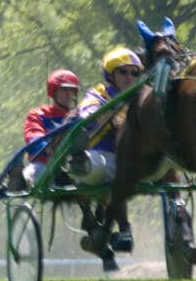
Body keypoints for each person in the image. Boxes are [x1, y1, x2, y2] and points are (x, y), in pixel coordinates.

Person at [69, 47, 143, 186]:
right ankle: (79, 162)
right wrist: (101, 115)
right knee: (97, 165)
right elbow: (87, 112)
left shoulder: (143, 97)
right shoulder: (99, 94)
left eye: (135, 73)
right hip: (104, 156)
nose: (129, 77)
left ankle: (176, 202)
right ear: (111, 75)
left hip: (135, 161)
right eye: (123, 72)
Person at [22, 69, 80, 186]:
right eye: (64, 90)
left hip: (73, 166)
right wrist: (48, 147)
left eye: (72, 90)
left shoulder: (79, 116)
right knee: (37, 172)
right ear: (53, 92)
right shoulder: (38, 114)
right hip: (43, 165)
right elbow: (33, 139)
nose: (68, 94)